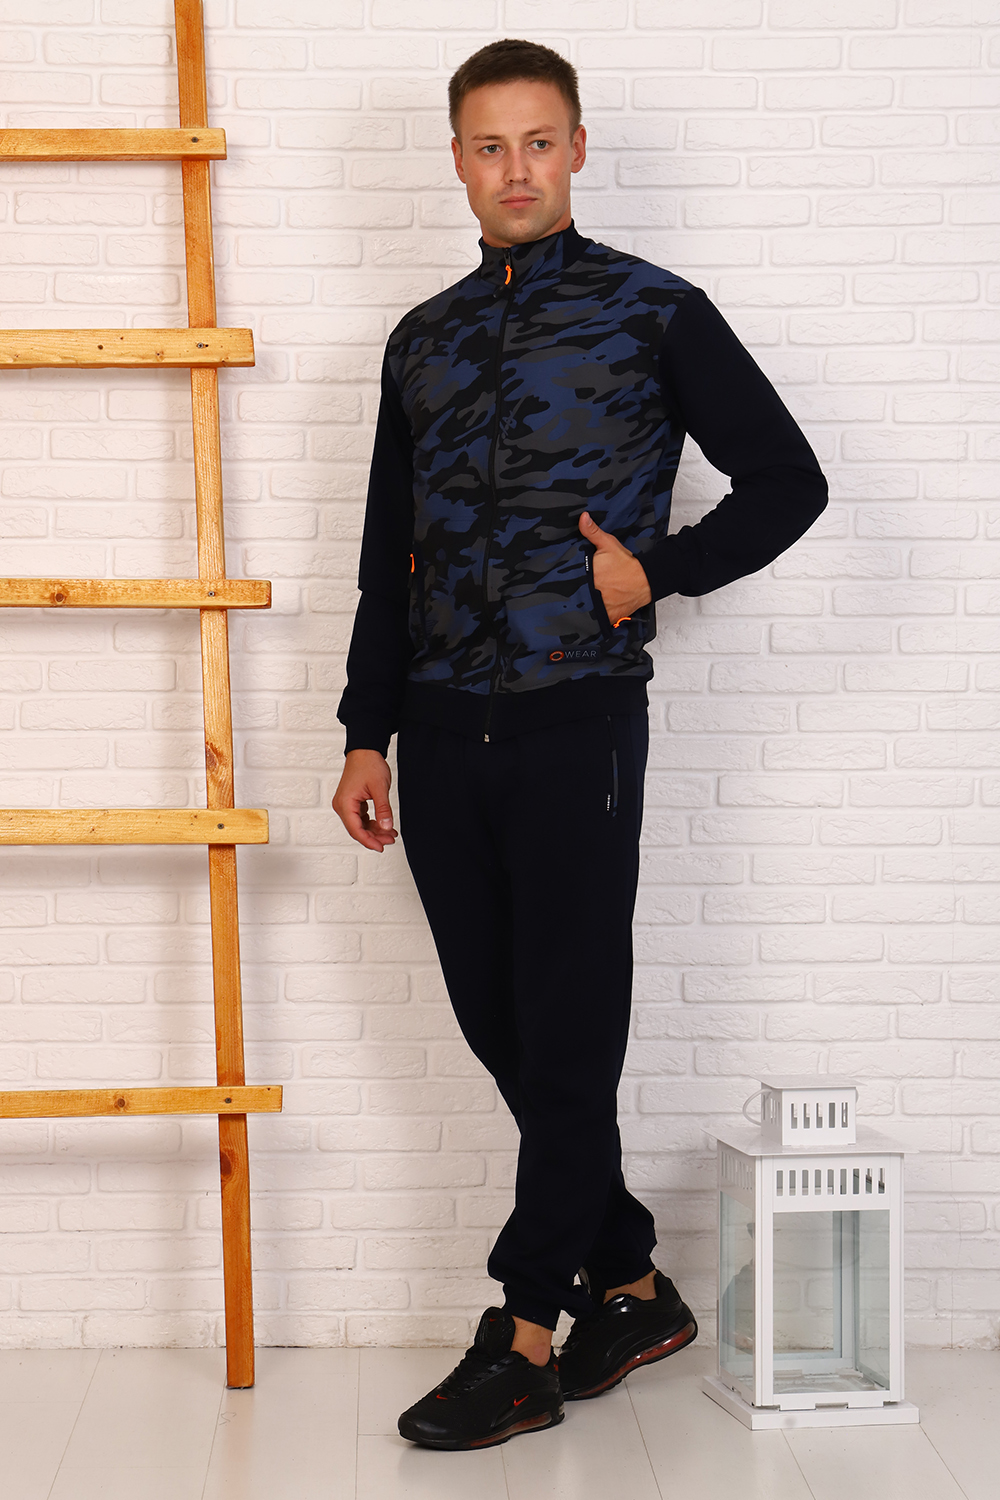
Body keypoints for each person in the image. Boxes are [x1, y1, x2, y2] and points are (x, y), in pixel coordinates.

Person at [332, 38, 827, 1451]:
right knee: (505, 1025)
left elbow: (789, 481)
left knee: (566, 1032)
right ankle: (635, 1288)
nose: (516, 170)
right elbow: (389, 553)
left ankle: (528, 1334)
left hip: (577, 723)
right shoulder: (422, 340)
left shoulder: (652, 311)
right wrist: (367, 730)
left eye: (538, 142)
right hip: (442, 731)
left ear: (578, 149)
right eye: (490, 146)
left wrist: (657, 572)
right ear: (458, 161)